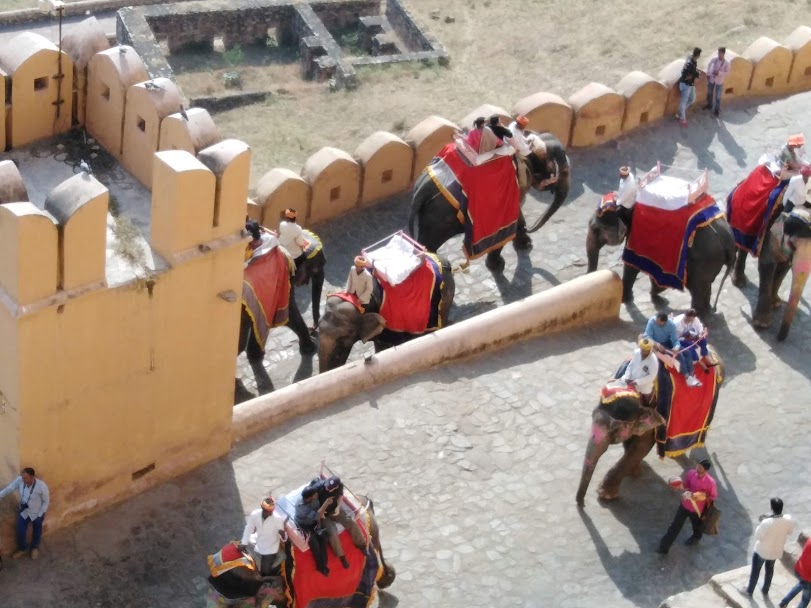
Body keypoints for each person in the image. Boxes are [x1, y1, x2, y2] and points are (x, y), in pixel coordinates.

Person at [657, 459, 717, 554]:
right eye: (697, 466)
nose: (697, 468)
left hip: (697, 510)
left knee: (697, 527)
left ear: (705, 470)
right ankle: (663, 548)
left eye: (700, 467)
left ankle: (696, 537)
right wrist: (680, 485)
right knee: (675, 526)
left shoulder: (711, 482)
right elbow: (687, 486)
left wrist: (695, 496)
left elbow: (712, 496)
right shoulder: (691, 473)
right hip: (684, 505)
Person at [745, 498, 795, 597]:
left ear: (771, 508)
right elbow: (790, 531)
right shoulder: (787, 520)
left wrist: (761, 523)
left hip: (762, 551)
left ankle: (750, 590)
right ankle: (765, 589)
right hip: (775, 551)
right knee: (769, 571)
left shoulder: (766, 522)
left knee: (755, 571)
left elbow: (758, 536)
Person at [0, 467, 50, 560]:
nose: (23, 480)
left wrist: (40, 515)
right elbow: (10, 488)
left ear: (32, 477)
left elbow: (46, 502)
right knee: (20, 531)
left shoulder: (42, 486)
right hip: (24, 511)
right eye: (22, 477)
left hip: (37, 513)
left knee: (37, 531)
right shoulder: (20, 480)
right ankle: (23, 548)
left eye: (25, 478)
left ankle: (35, 547)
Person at [295, 487, 346, 575]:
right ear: (310, 497)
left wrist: (319, 527)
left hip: (314, 522)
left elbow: (318, 515)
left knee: (323, 538)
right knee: (314, 542)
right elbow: (317, 514)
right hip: (304, 524)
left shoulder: (314, 500)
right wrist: (326, 504)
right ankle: (320, 566)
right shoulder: (301, 507)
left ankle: (324, 563)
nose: (316, 495)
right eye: (314, 494)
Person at [310, 476, 367, 553]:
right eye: (327, 486)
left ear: (336, 487)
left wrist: (338, 507)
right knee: (332, 531)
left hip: (334, 509)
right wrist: (320, 513)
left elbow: (340, 495)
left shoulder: (339, 486)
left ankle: (361, 544)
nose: (327, 488)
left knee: (351, 523)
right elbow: (312, 503)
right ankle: (340, 555)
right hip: (323, 514)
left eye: (330, 488)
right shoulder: (319, 488)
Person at [643, 312, 702, 387]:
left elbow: (675, 340)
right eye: (656, 321)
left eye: (659, 323)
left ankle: (692, 375)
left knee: (686, 352)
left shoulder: (671, 325)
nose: (656, 323)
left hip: (668, 342)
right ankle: (687, 377)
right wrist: (656, 344)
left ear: (665, 322)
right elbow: (646, 335)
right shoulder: (652, 321)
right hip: (654, 344)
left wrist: (676, 347)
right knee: (679, 355)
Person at [240, 497, 288, 576]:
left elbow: (283, 538)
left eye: (269, 511)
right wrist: (243, 543)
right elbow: (248, 528)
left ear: (272, 510)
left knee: (265, 571)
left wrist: (283, 534)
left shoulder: (278, 519)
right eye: (265, 510)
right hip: (257, 540)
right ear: (262, 508)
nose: (267, 513)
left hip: (270, 548)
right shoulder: (255, 514)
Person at [621, 336, 660, 407]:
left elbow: (652, 376)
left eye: (646, 350)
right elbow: (630, 365)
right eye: (642, 349)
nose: (644, 351)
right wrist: (627, 377)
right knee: (620, 386)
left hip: (644, 384)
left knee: (646, 400)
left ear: (649, 350)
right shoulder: (636, 353)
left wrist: (637, 382)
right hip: (631, 379)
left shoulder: (653, 360)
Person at [779, 536, 811, 608]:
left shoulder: (809, 540)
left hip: (799, 570)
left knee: (801, 584)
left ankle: (784, 602)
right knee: (805, 599)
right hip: (808, 577)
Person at [676, 47, 702, 127]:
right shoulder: (689, 63)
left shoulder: (691, 59)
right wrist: (692, 76)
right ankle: (682, 118)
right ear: (698, 56)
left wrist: (694, 74)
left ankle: (680, 112)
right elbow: (683, 73)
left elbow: (693, 71)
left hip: (690, 84)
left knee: (692, 99)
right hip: (685, 85)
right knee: (683, 102)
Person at [704, 47, 731, 117]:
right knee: (709, 93)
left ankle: (717, 109)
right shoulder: (714, 60)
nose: (719, 54)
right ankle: (709, 105)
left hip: (719, 81)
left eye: (720, 53)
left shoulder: (726, 63)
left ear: (724, 54)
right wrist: (708, 74)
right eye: (718, 53)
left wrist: (719, 73)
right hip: (712, 79)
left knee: (718, 97)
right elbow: (709, 67)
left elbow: (727, 73)